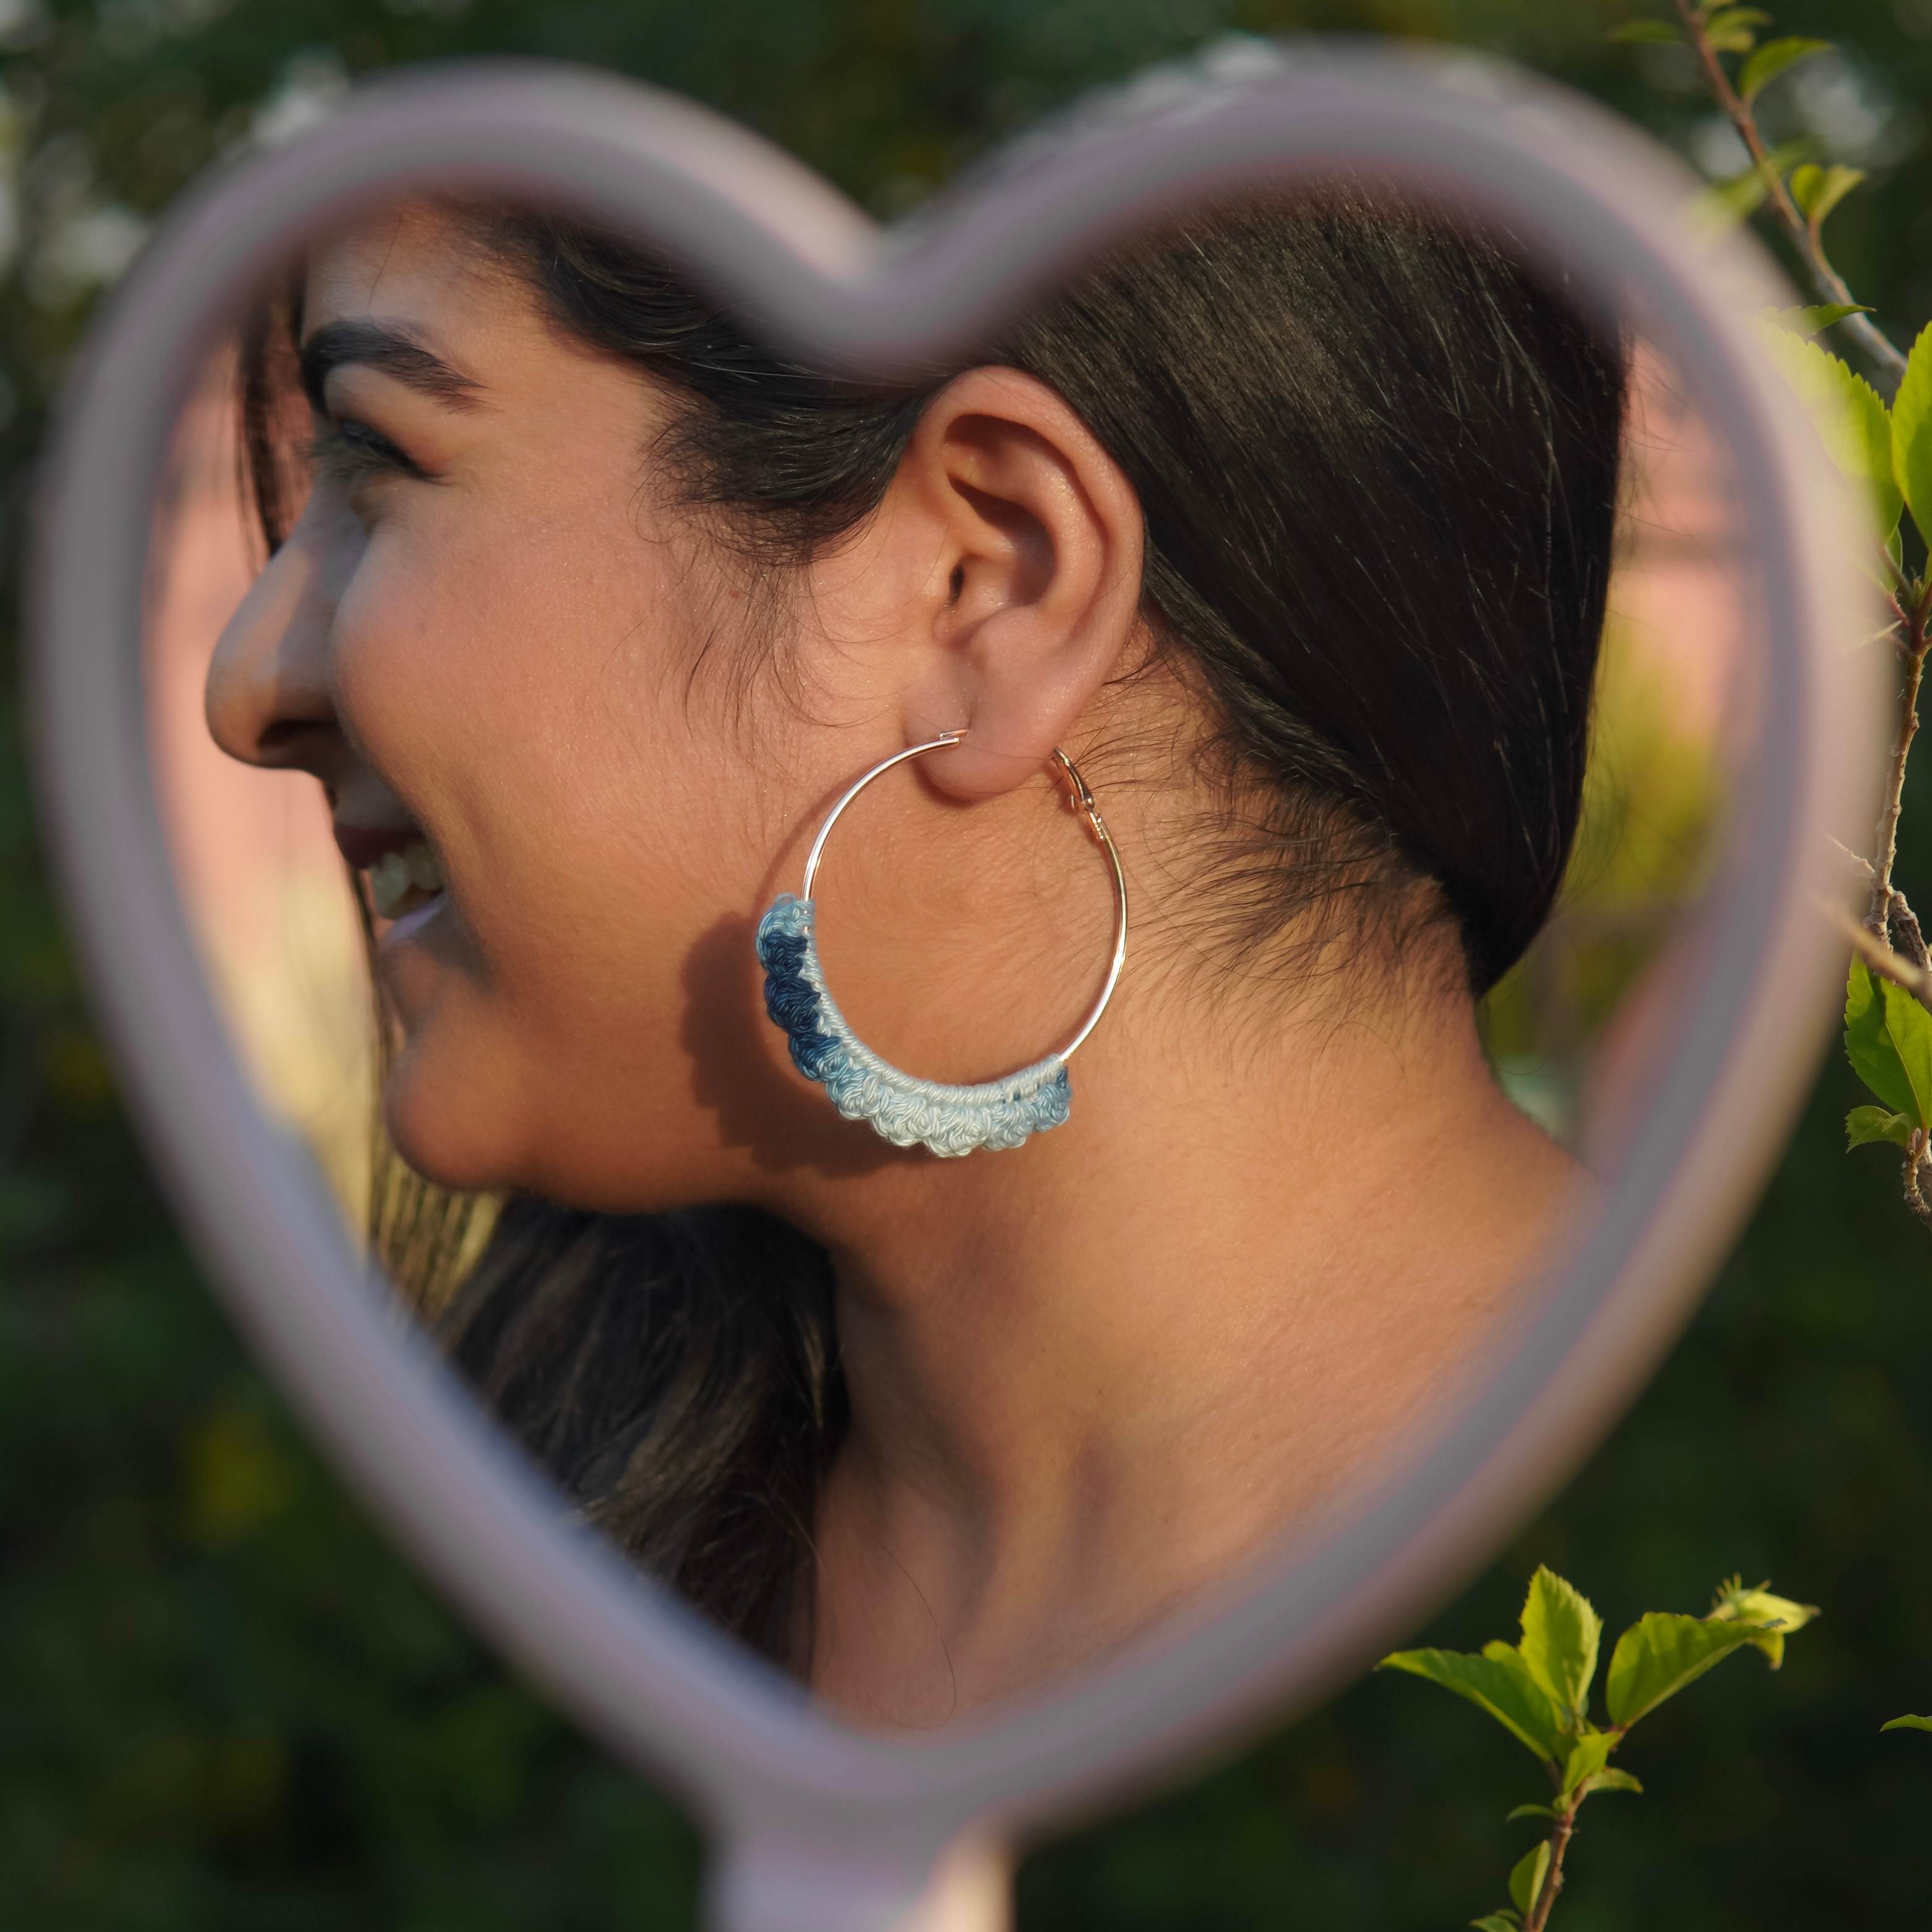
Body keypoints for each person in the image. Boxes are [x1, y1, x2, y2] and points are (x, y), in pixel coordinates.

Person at [205, 165, 1626, 1730]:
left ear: (992, 582)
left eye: (381, 462)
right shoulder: (523, 1558)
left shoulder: (1774, 1641)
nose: (244, 684)